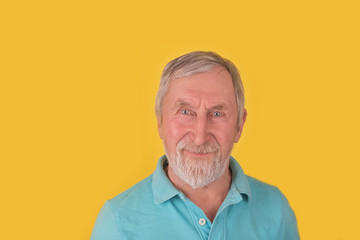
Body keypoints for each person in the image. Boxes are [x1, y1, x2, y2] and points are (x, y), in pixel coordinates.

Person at [90, 51, 300, 240]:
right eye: (185, 112)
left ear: (239, 125)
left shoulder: (276, 210)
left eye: (217, 114)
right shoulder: (118, 221)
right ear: (160, 122)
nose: (200, 137)